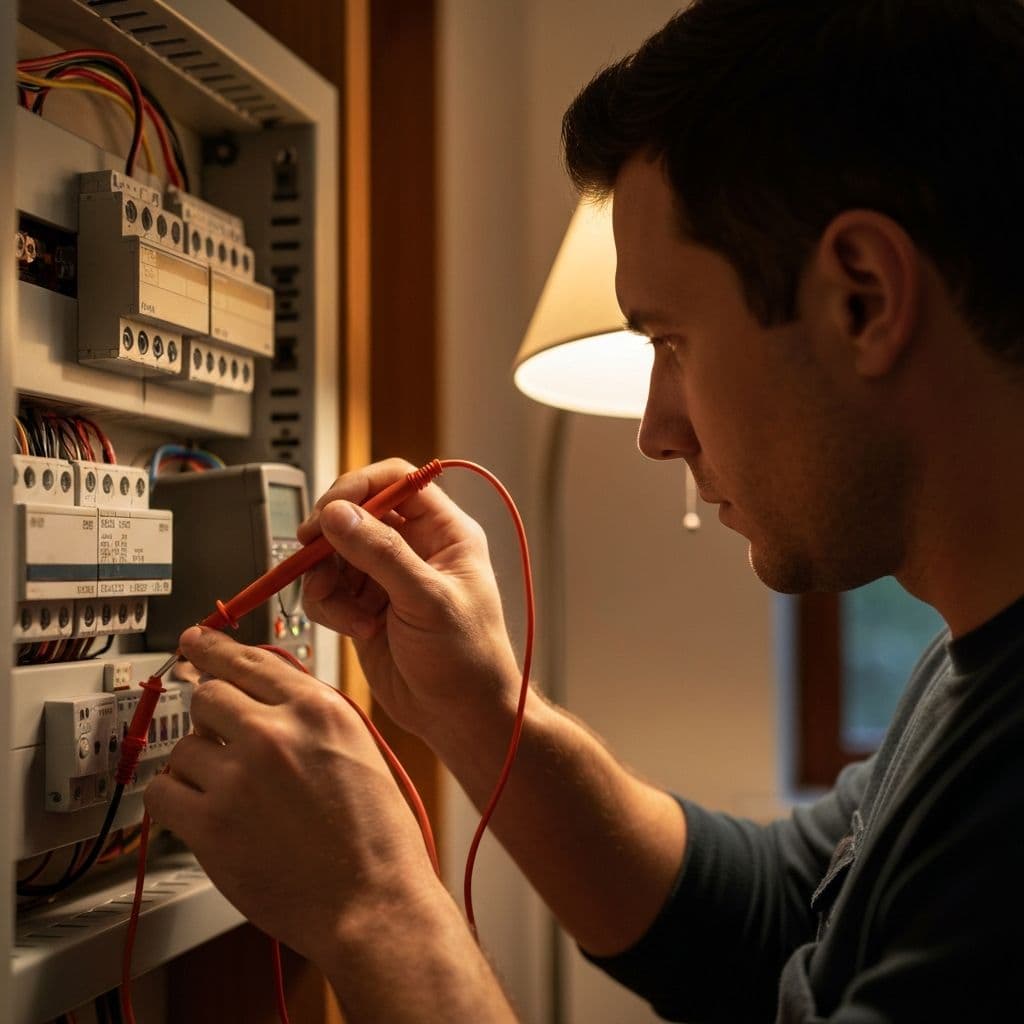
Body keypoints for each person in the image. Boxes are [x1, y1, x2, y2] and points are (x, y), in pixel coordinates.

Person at [145, 1, 1024, 1020]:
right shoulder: (972, 662)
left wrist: (376, 907)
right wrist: (475, 702)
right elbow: (768, 920)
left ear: (862, 297)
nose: (656, 428)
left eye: (671, 340)